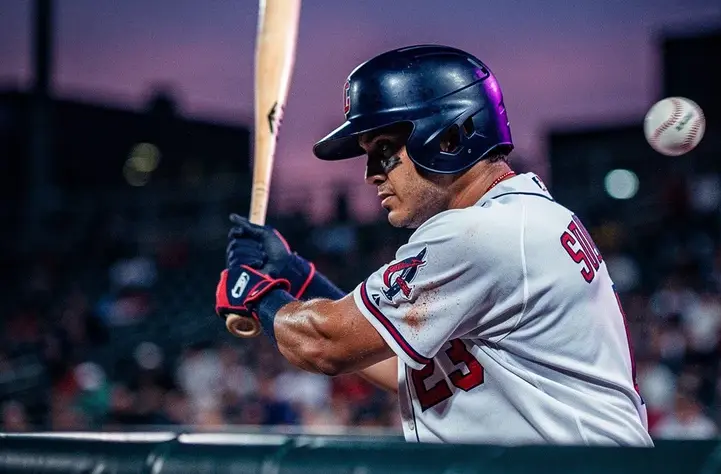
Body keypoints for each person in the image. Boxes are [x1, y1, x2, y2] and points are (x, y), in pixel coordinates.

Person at [214, 44, 652, 446]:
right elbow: (402, 362)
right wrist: (298, 276)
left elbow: (326, 345)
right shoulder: (523, 217)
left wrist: (255, 295)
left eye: (384, 149)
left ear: (449, 138)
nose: (370, 173)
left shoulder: (480, 234)